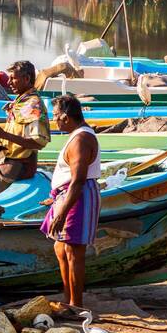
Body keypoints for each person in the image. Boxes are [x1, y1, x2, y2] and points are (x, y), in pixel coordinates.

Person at [40, 95, 101, 311]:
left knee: (74, 252)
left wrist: (62, 213)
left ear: (66, 117)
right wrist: (55, 198)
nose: (55, 120)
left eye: (56, 116)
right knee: (61, 248)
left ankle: (77, 304)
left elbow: (78, 180)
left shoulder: (81, 139)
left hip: (77, 196)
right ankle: (69, 299)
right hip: (66, 195)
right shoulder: (76, 135)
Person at [0, 59, 50, 195]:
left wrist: (3, 135)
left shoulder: (33, 105)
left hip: (20, 165)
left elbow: (37, 143)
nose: (8, 82)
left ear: (27, 78)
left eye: (13, 78)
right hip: (6, 160)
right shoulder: (20, 101)